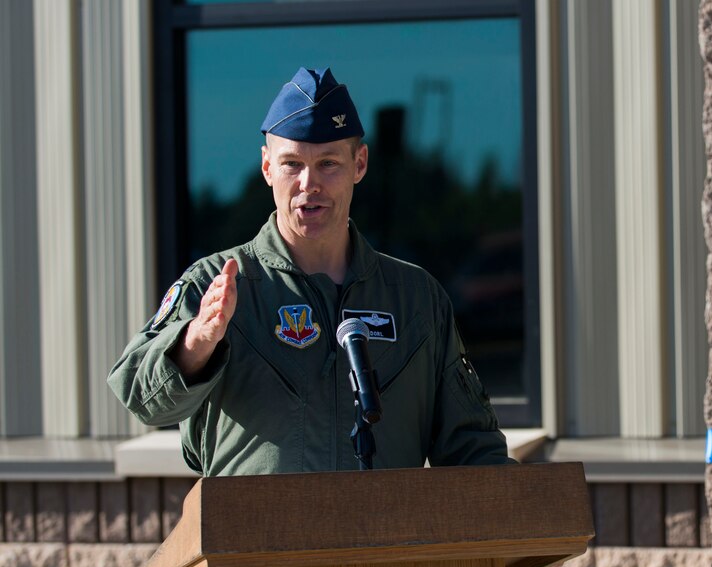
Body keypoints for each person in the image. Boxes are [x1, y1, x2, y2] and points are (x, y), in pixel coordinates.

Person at [108, 67, 514, 476]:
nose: (309, 183)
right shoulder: (217, 284)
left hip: (385, 538)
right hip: (251, 537)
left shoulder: (415, 297)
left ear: (360, 164)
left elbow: (472, 448)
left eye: (328, 164)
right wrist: (196, 344)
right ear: (267, 168)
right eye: (291, 164)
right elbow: (140, 397)